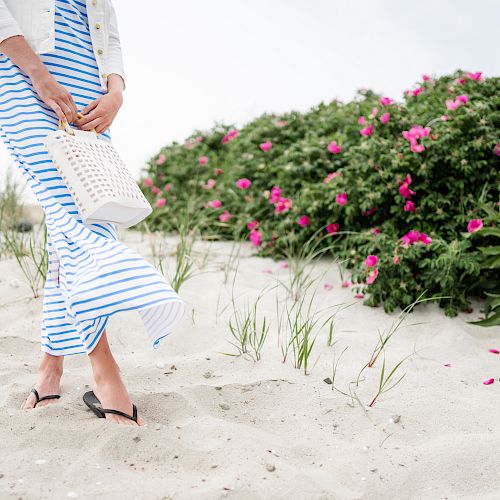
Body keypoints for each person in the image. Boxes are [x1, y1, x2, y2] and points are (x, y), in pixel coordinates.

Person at [0, 0, 186, 426]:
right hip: (22, 70)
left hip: (90, 84)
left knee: (74, 219)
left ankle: (51, 368)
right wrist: (38, 74)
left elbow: (108, 27)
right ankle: (106, 371)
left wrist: (116, 91)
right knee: (73, 218)